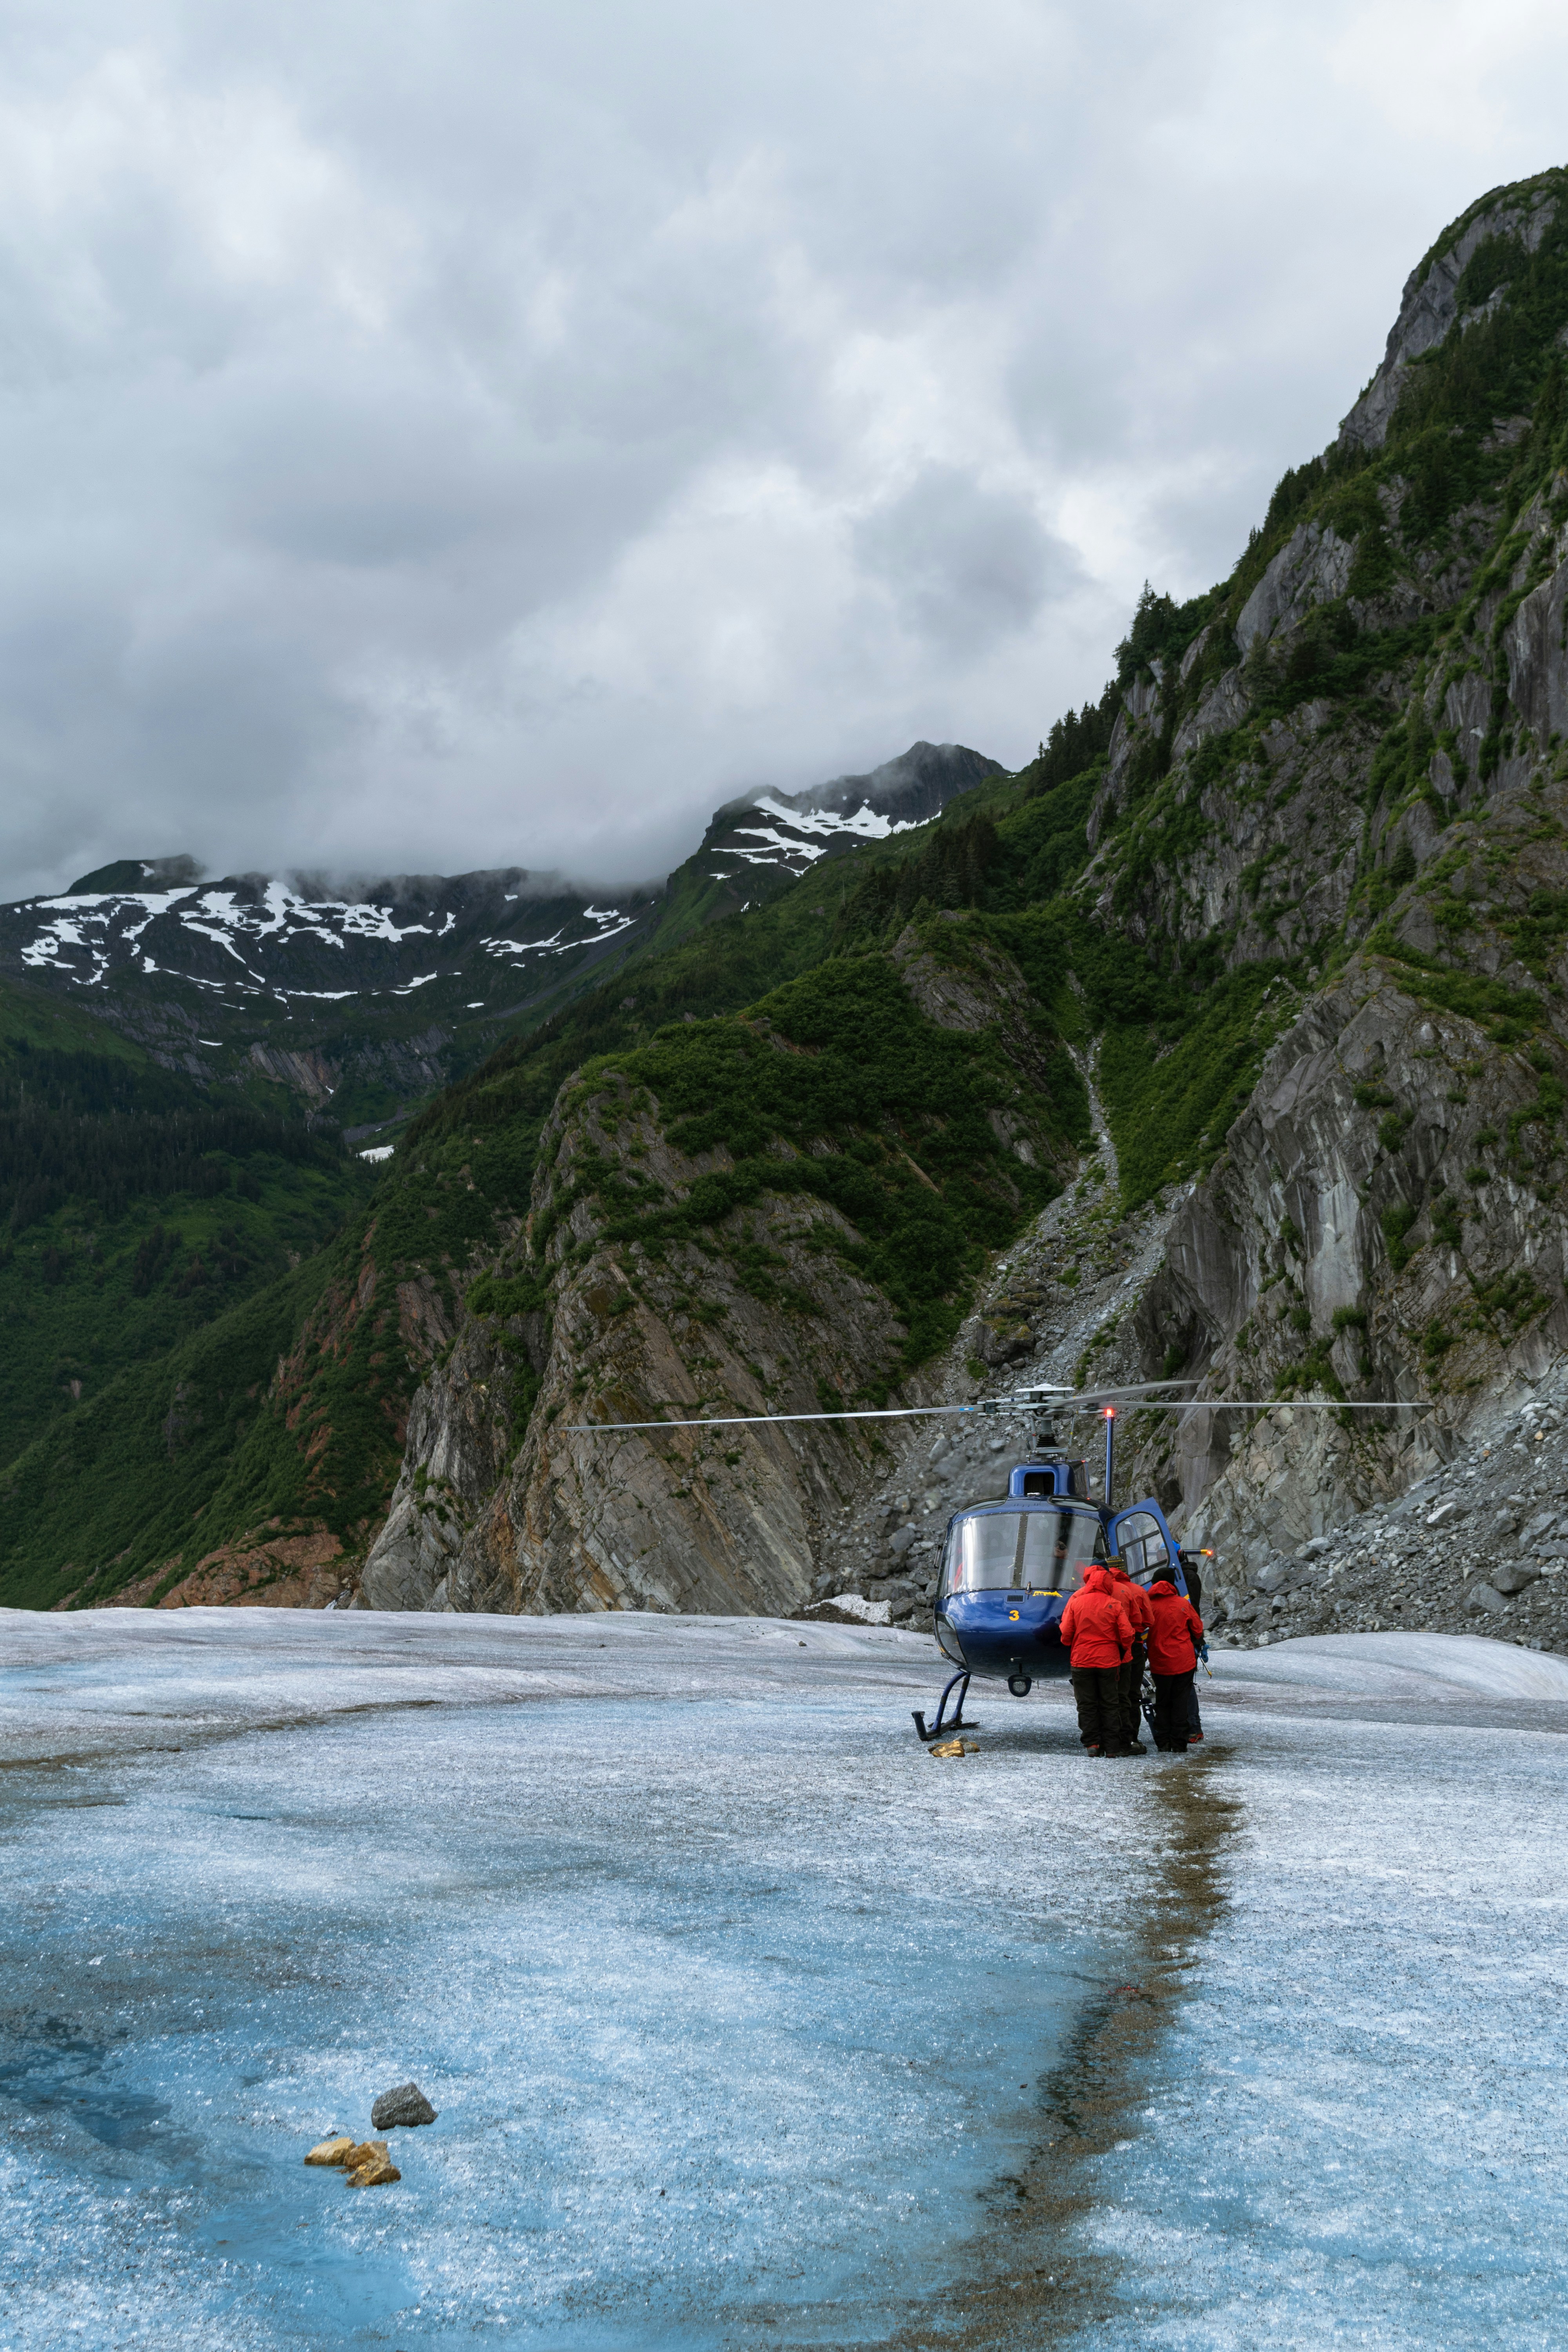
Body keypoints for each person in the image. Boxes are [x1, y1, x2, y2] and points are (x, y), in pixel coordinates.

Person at [1058, 1564, 1134, 1756]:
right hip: (1109, 1662)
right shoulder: (1114, 1604)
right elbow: (1127, 1634)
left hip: (1082, 1661)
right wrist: (1121, 1649)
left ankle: (1092, 1744)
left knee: (1086, 1704)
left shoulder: (1077, 1602)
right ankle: (1112, 1748)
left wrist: (1074, 1644)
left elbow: (1066, 1634)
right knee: (1110, 1703)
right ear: (1108, 1584)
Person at [1144, 1576, 1205, 1753]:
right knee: (1180, 1701)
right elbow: (1197, 1629)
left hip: (1160, 1662)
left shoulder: (1150, 1606)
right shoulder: (1183, 1604)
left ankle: (1163, 1741)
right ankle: (1179, 1743)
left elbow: (1141, 1628)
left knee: (1163, 1701)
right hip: (1183, 1661)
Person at [1109, 1557, 1154, 1755]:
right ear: (1124, 1570)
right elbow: (1148, 1621)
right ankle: (1131, 1737)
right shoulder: (1137, 1591)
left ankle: (1106, 1738)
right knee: (1132, 1694)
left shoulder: (1095, 1591)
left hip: (1105, 1648)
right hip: (1133, 1645)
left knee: (1107, 1693)